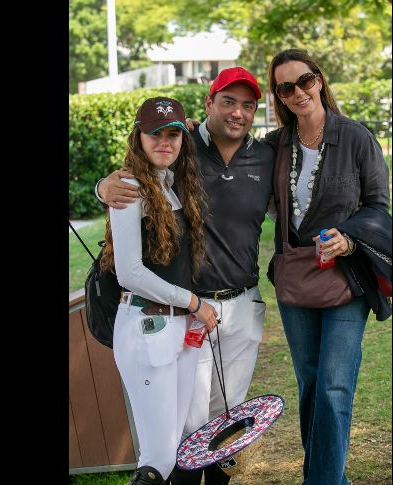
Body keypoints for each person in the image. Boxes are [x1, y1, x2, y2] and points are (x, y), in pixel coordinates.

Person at [97, 67, 276, 484]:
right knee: (175, 438)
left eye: (247, 104)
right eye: (227, 101)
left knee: (223, 422)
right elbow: (130, 261)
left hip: (233, 307)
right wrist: (103, 188)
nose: (237, 112)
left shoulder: (259, 156)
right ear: (208, 103)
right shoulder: (170, 160)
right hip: (181, 312)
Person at [263, 48, 392, 485]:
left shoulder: (356, 137)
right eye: (286, 87)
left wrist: (350, 237)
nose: (298, 92)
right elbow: (222, 159)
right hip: (297, 277)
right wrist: (192, 132)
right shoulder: (274, 146)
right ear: (278, 96)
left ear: (319, 80)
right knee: (311, 385)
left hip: (345, 278)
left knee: (335, 385)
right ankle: (326, 474)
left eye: (305, 81)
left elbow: (379, 206)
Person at [98, 96, 219, 485]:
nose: (164, 142)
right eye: (155, 134)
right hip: (146, 328)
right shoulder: (128, 187)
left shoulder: (171, 184)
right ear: (139, 137)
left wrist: (191, 309)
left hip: (177, 330)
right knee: (160, 455)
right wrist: (194, 302)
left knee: (180, 443)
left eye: (173, 135)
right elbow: (130, 273)